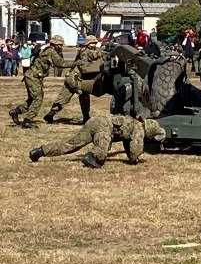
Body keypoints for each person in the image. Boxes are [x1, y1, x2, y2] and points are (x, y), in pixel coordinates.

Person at [28, 114, 166, 168]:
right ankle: (90, 157)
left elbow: (127, 145)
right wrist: (135, 160)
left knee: (71, 144)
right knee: (101, 154)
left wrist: (130, 158)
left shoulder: (133, 123)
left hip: (95, 121)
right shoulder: (139, 130)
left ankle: (40, 151)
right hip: (104, 128)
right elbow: (135, 149)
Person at [9, 35, 73, 128]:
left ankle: (16, 111)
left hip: (32, 76)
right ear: (55, 44)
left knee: (33, 98)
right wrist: (75, 63)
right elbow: (60, 63)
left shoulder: (47, 49)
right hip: (33, 77)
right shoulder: (51, 51)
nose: (61, 47)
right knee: (38, 99)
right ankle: (27, 120)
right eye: (60, 45)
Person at [43, 35, 107, 124]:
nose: (94, 45)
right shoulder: (85, 51)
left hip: (73, 77)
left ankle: (50, 115)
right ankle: (86, 117)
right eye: (92, 43)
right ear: (87, 43)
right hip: (75, 78)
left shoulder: (86, 50)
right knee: (83, 95)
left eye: (95, 43)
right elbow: (93, 55)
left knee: (64, 98)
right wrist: (104, 50)